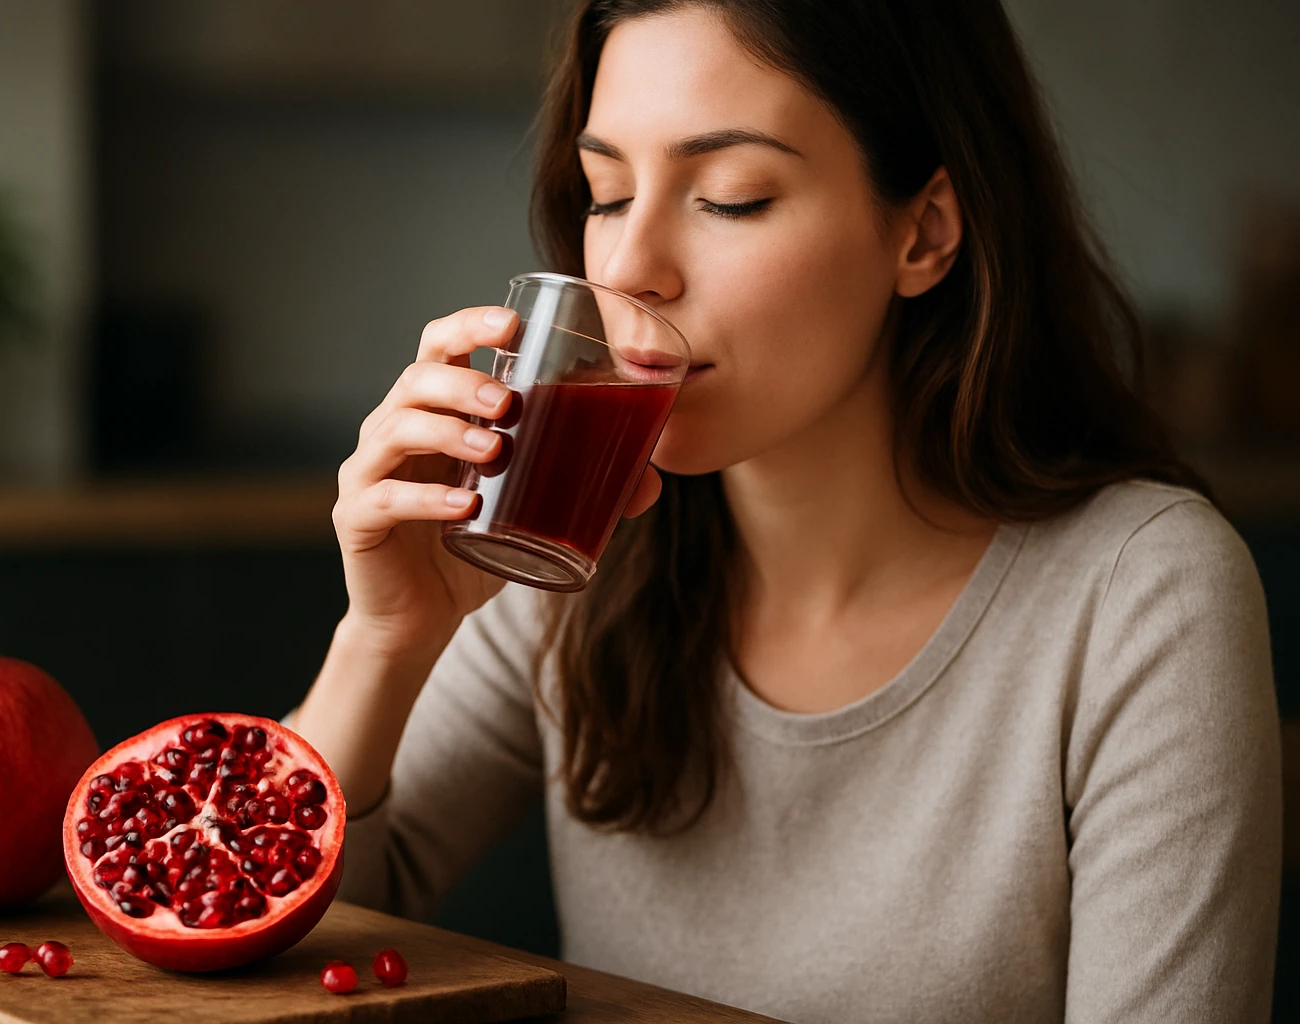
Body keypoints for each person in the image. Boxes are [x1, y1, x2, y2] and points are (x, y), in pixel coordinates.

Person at [287, 1, 1283, 1020]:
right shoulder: (569, 558)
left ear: (925, 231)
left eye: (731, 197)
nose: (629, 268)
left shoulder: (1143, 596)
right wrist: (386, 639)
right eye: (609, 193)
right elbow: (296, 924)